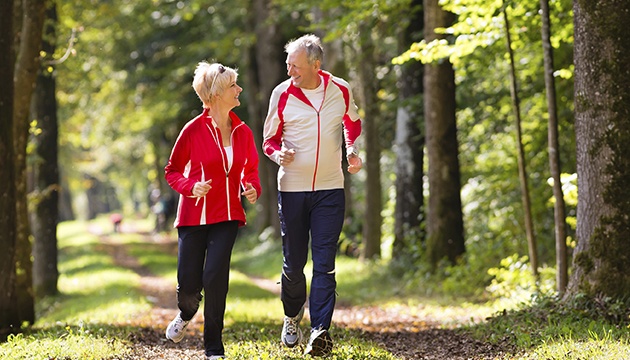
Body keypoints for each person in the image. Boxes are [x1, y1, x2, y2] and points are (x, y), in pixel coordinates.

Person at [262, 34, 363, 357]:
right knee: (293, 265)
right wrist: (279, 155)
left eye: (295, 65)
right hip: (292, 189)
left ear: (315, 65)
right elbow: (268, 141)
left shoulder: (340, 89)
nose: (289, 70)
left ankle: (320, 330)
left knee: (325, 263)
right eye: (288, 64)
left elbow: (353, 122)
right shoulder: (281, 94)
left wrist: (353, 150)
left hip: (330, 189)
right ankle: (292, 317)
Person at [164, 61, 261, 360]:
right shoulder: (192, 130)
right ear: (218, 93)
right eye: (234, 85)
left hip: (228, 214)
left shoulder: (242, 131)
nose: (239, 89)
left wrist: (251, 187)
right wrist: (191, 187)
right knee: (190, 287)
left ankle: (214, 349)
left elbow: (251, 169)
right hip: (194, 217)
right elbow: (172, 170)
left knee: (216, 277)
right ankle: (185, 313)